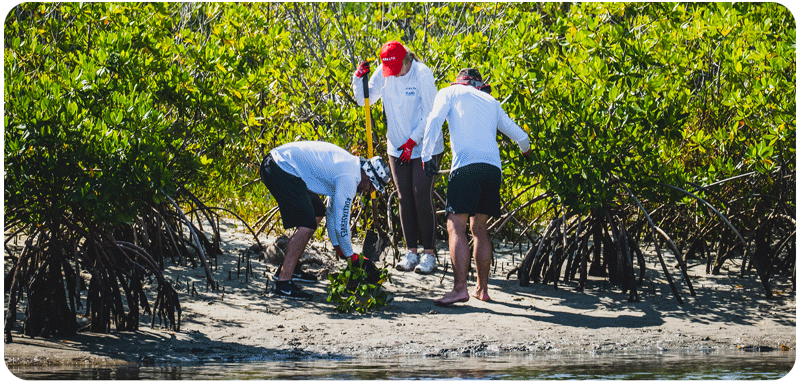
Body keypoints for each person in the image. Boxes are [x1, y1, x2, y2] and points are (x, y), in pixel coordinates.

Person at [420, 68, 531, 306]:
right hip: (493, 170)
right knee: (479, 228)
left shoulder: (449, 92)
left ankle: (460, 289)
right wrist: (527, 150)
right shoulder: (491, 101)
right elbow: (519, 135)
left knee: (455, 226)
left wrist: (426, 155)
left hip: (466, 166)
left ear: (459, 82)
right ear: (480, 84)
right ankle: (482, 289)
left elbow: (434, 119)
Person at [352, 40, 444, 275]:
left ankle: (429, 254)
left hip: (425, 144)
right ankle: (411, 252)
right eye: (388, 71)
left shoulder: (421, 74)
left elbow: (433, 114)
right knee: (404, 196)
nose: (392, 75)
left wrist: (413, 141)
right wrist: (357, 79)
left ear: (406, 60)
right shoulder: (385, 70)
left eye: (396, 69)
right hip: (396, 146)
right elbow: (366, 98)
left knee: (421, 194)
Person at [260, 140, 392, 300]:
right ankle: (283, 284)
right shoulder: (349, 178)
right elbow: (342, 225)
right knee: (307, 224)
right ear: (368, 177)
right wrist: (351, 257)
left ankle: (289, 268)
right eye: (372, 187)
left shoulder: (350, 168)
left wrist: (338, 246)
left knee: (317, 211)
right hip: (279, 167)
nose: (368, 191)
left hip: (279, 164)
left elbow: (331, 213)